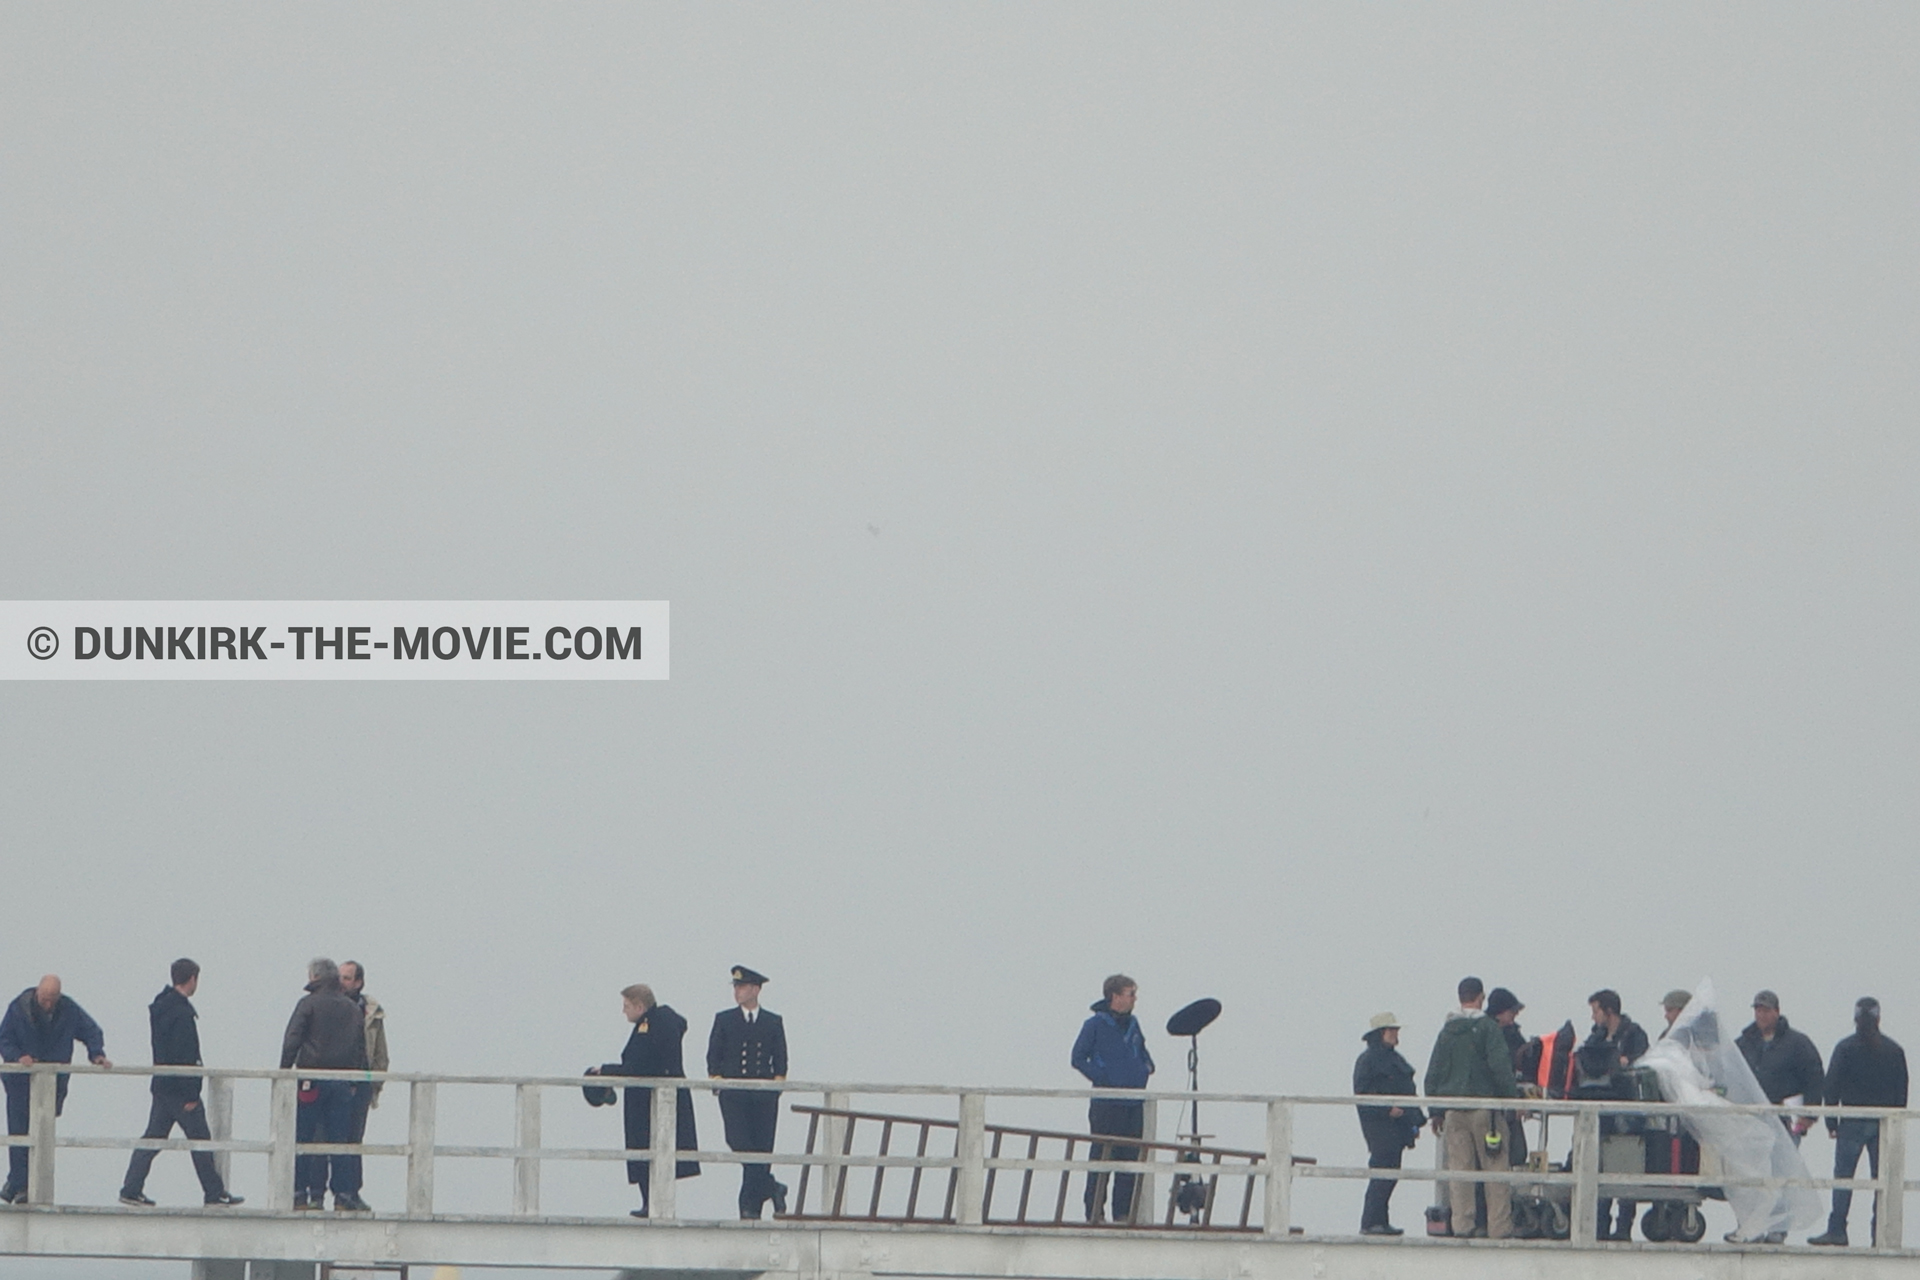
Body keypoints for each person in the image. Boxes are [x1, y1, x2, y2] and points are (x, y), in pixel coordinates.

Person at [118, 960, 242, 1207]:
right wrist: (192, 1093)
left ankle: (131, 1188)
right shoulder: (182, 1013)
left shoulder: (161, 1007)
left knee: (153, 1138)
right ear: (193, 979)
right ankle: (214, 1193)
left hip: (163, 1086)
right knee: (200, 1140)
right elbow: (186, 1054)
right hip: (180, 1091)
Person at [587, 983, 699, 1217]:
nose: (623, 1011)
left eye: (627, 1006)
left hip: (646, 1101)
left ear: (639, 1006)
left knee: (646, 1150)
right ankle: (652, 1202)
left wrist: (605, 1070)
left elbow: (637, 1067)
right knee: (655, 1152)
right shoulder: (665, 1020)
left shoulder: (648, 1027)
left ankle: (652, 1203)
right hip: (658, 1097)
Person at [0, 975, 110, 1203]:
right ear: (38, 993)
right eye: (44, 998)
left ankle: (17, 1184)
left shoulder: (68, 1009)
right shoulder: (19, 1007)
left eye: (52, 999)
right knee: (20, 1132)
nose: (48, 1004)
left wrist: (97, 1054)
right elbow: (4, 1038)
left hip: (53, 1084)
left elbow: (91, 1030)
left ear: (58, 997)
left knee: (41, 1132)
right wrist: (18, 1056)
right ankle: (20, 1186)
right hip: (20, 1082)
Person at [1423, 977, 1518, 1239]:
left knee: (1459, 1172)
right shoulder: (1488, 1028)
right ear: (1481, 998)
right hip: (1484, 1112)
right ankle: (1499, 1227)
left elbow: (1432, 1076)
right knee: (1495, 1170)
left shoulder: (1447, 1032)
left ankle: (1463, 1226)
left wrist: (1436, 1111)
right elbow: (1500, 1068)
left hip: (1453, 1111)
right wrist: (1513, 1101)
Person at [1809, 998, 1908, 1248]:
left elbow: (1830, 1088)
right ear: (1878, 1019)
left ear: (1855, 1019)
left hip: (1851, 1121)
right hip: (1883, 1123)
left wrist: (1832, 1121)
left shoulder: (1845, 1048)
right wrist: (1893, 1122)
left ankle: (1837, 1230)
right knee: (1881, 1181)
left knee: (1844, 1178)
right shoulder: (1894, 1051)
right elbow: (1901, 1093)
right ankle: (1881, 1235)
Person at [279, 958, 370, 1212]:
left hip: (311, 1081)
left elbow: (292, 1040)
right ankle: (342, 1194)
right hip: (341, 1082)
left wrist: (284, 1073)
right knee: (339, 1139)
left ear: (315, 978)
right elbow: (360, 1049)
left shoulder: (308, 1004)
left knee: (305, 1138)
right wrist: (354, 1079)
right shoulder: (352, 1009)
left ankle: (300, 1194)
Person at [1070, 974, 1156, 1224]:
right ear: (1115, 996)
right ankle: (1095, 1212)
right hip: (1106, 1104)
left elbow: (1142, 1052)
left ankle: (1123, 1214)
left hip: (1133, 1102)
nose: (1134, 999)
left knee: (1129, 1161)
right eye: (1131, 994)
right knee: (1101, 1159)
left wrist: (1145, 1068)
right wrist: (1103, 1076)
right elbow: (1077, 1057)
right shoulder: (1094, 1025)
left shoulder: (1134, 1024)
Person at [707, 966, 788, 1220]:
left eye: (741, 987)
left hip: (763, 1098)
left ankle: (750, 1207)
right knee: (739, 1142)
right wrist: (719, 1083)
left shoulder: (773, 1021)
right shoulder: (724, 1019)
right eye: (735, 987)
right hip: (734, 1096)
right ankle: (772, 1187)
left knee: (762, 1151)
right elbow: (713, 1056)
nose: (737, 991)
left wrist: (774, 1088)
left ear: (755, 989)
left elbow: (781, 1061)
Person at [1583, 989, 1650, 1241]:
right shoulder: (1596, 1037)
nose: (1593, 1018)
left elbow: (1643, 1064)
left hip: (1627, 1111)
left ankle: (1623, 1228)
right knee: (1598, 1165)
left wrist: (1624, 1063)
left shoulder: (1634, 1035)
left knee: (1625, 1164)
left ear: (1608, 1011)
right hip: (1602, 1110)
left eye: (1595, 1011)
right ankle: (1600, 1227)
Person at [1353, 1013, 1424, 1236]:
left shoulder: (1394, 1059)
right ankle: (1371, 1222)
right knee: (1382, 1173)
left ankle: (1380, 1222)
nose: (1395, 1034)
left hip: (1397, 1128)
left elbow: (1407, 1091)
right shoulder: (1367, 1061)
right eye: (1391, 1030)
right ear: (1380, 1033)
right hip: (1379, 1128)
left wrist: (1415, 1121)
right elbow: (1362, 1096)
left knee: (1391, 1173)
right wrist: (1386, 1110)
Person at [1735, 990, 1824, 1144]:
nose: (1761, 1015)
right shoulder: (1742, 1044)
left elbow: (1814, 1078)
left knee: (1783, 1167)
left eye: (1766, 1011)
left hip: (1786, 1120)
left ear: (1777, 1012)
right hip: (1750, 1120)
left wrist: (1809, 1114)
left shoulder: (1798, 1044)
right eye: (1758, 1010)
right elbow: (1730, 1074)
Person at [338, 961, 389, 1152]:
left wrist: (373, 1086)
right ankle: (319, 1183)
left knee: (354, 1141)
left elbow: (381, 1055)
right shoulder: (330, 1006)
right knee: (325, 1141)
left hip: (360, 1087)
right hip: (333, 1085)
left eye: (347, 978)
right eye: (339, 977)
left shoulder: (372, 1012)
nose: (341, 982)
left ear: (358, 982)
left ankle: (349, 1183)